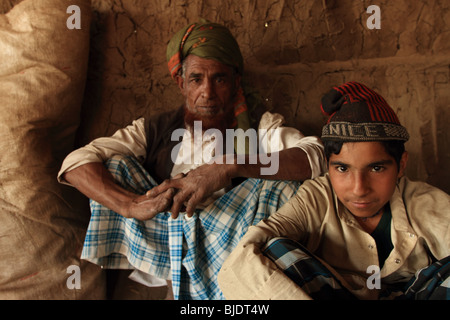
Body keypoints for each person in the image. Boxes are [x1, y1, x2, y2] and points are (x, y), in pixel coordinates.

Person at [57, 20, 326, 300]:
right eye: (197, 79)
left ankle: (230, 283)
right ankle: (176, 271)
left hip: (233, 241)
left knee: (283, 186)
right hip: (164, 241)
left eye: (219, 79)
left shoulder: (259, 125)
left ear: (235, 82)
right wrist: (130, 205)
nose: (207, 92)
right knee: (114, 166)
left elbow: (316, 155)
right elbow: (76, 162)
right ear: (181, 82)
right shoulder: (155, 129)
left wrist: (228, 166)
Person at [218, 81, 450, 300]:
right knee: (272, 250)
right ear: (328, 166)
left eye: (376, 168)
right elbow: (241, 258)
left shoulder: (423, 202)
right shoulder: (316, 197)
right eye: (342, 168)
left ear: (401, 165)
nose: (359, 189)